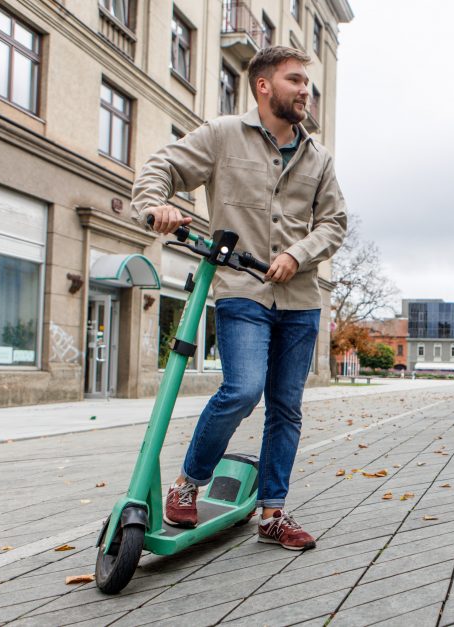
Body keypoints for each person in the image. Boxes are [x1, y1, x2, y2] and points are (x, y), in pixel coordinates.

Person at [131, 46, 347, 551]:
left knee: (286, 408)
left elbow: (334, 222)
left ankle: (272, 513)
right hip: (243, 291)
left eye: (308, 84)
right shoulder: (223, 135)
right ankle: (188, 482)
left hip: (300, 298)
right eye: (295, 80)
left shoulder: (318, 158)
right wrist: (154, 205)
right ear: (263, 85)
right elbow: (162, 166)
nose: (305, 91)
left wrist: (299, 253)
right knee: (244, 389)